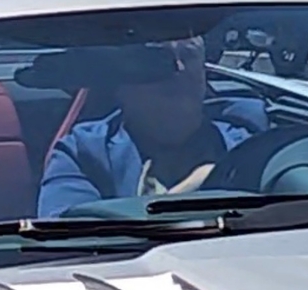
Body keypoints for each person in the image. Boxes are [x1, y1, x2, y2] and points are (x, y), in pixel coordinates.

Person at [38, 37, 269, 216]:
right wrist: (196, 186)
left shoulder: (252, 144)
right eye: (158, 60)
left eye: (189, 56)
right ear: (120, 82)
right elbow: (67, 238)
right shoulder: (82, 153)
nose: (178, 69)